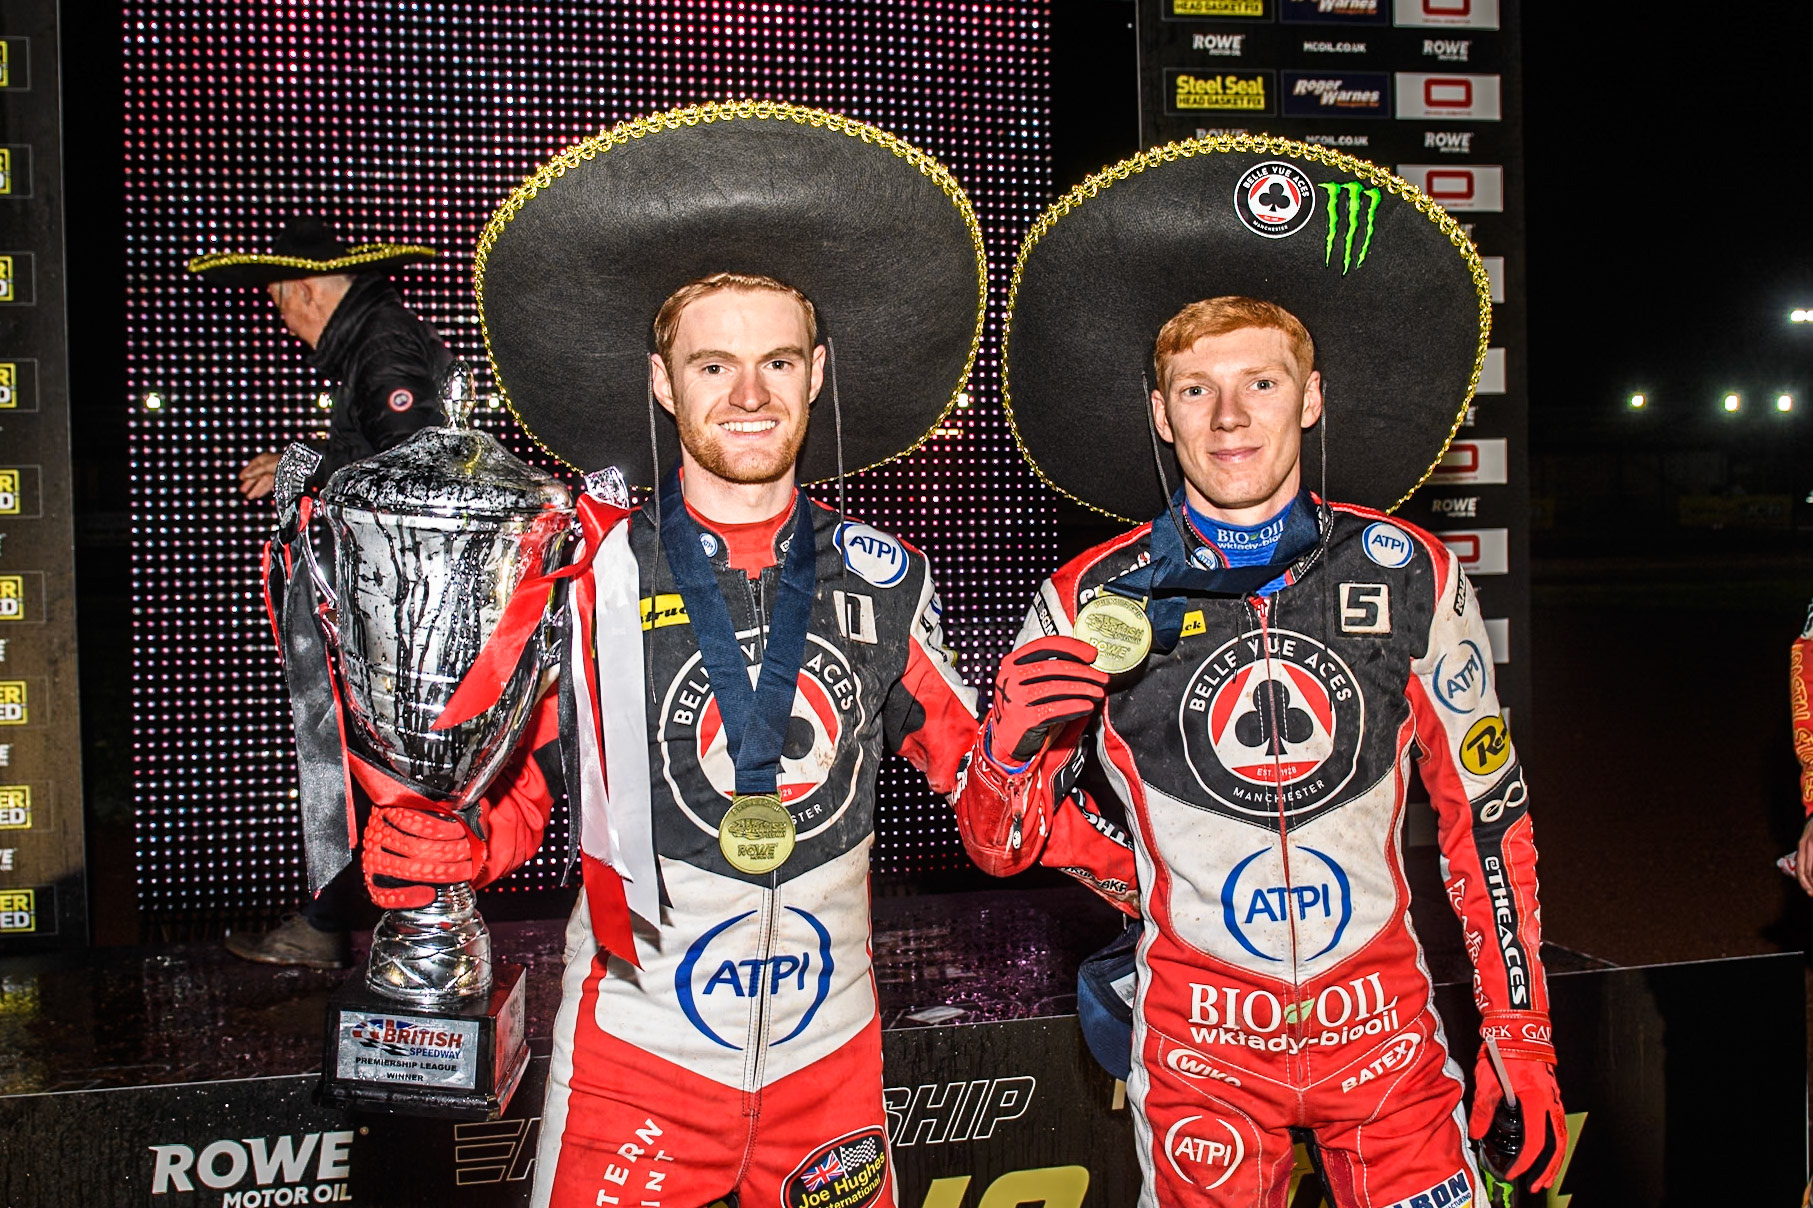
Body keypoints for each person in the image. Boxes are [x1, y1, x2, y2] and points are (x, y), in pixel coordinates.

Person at [354, 105, 988, 1208]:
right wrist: (441, 844)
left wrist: (1064, 744)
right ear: (663, 382)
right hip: (637, 1070)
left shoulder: (886, 579)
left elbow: (993, 800)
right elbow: (517, 797)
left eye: (776, 360)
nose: (748, 394)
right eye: (713, 365)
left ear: (817, 371)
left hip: (828, 1078)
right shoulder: (581, 571)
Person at [953, 143, 1564, 1205]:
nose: (1229, 418)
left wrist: (1520, 1029)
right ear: (1160, 412)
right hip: (1198, 1045)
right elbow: (1001, 844)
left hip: (1385, 1035)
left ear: (1310, 396)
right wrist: (1009, 757)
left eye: (1260, 382)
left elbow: (1488, 811)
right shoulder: (1093, 592)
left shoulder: (1409, 570)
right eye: (1196, 388)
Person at [189, 216, 452, 967]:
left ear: (303, 289)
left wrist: (306, 470)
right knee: (366, 765)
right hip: (393, 598)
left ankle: (354, 925)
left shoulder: (383, 344)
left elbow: (417, 462)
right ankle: (336, 920)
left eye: (277, 301)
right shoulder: (376, 340)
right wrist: (313, 459)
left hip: (403, 606)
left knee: (371, 765)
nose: (281, 318)